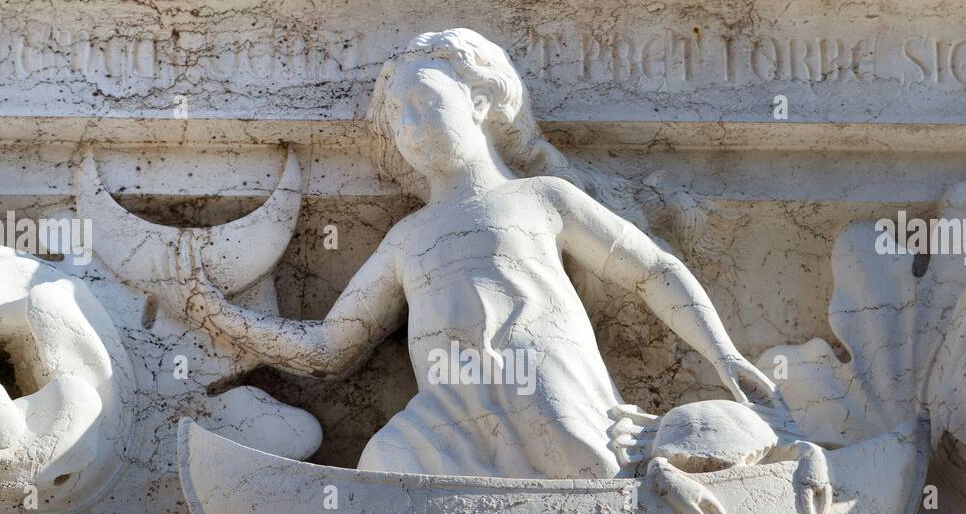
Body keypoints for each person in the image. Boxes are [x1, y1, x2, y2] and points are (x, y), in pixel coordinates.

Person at [166, 28, 777, 479]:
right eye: (397, 117)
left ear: (481, 104)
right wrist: (220, 316)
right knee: (382, 464)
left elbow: (651, 271)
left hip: (540, 378)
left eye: (426, 104)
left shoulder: (542, 197)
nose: (410, 126)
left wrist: (722, 352)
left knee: (587, 472)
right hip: (448, 404)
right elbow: (331, 347)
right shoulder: (406, 237)